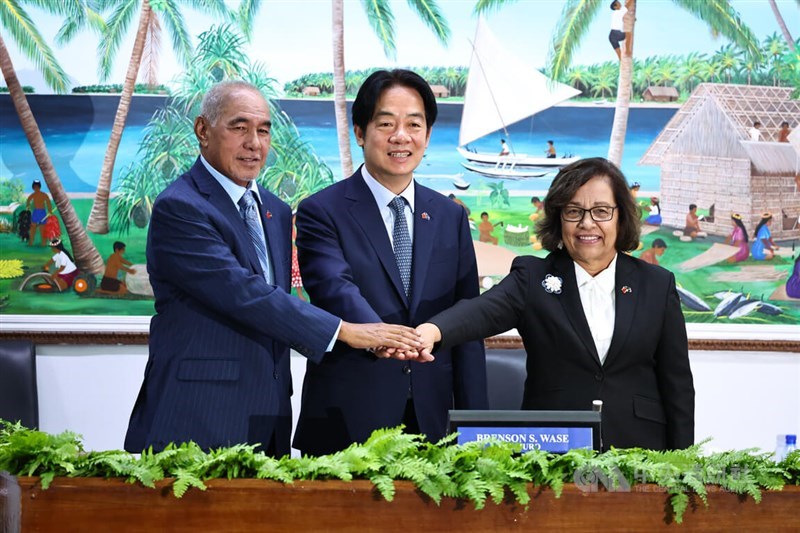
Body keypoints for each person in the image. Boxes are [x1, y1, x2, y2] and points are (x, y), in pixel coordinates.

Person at [124, 81, 423, 456]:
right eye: (239, 127)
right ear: (202, 130)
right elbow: (244, 294)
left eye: (263, 129)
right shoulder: (181, 207)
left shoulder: (276, 210)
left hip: (270, 417)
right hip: (197, 416)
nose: (254, 142)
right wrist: (346, 331)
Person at [416, 157, 695, 451]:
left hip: (640, 451)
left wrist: (683, 468)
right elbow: (482, 311)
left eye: (601, 211)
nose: (587, 223)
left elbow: (677, 386)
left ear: (621, 217)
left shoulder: (656, 284)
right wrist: (433, 331)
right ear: (559, 219)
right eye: (573, 211)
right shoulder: (533, 278)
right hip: (552, 452)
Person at [293, 69, 488, 456]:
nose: (401, 137)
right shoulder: (321, 211)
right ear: (361, 132)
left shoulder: (449, 215)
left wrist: (475, 425)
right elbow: (334, 288)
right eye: (386, 123)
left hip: (434, 418)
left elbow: (467, 317)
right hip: (348, 415)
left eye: (414, 124)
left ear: (428, 136)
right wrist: (386, 338)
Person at [26, 179, 53, 247]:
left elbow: (48, 202)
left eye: (37, 187)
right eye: (35, 187)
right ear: (33, 187)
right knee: (33, 228)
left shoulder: (43, 194)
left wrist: (50, 211)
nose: (36, 188)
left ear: (39, 187)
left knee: (42, 229)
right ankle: (30, 243)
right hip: (35, 213)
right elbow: (28, 200)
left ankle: (43, 244)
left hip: (42, 213)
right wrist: (28, 207)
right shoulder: (33, 195)